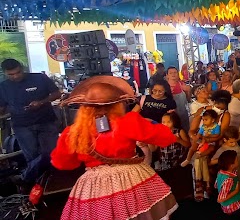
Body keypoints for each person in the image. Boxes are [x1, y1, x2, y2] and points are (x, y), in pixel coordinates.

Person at [50, 76, 178, 220]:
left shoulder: (72, 132)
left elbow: (62, 163)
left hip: (94, 186)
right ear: (117, 104)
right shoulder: (129, 122)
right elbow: (167, 138)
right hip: (132, 179)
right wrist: (151, 124)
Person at [0, 59, 61, 189]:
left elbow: (56, 93)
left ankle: (27, 178)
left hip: (46, 122)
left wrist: (42, 102)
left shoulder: (39, 78)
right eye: (11, 74)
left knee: (51, 153)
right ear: (5, 73)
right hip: (22, 126)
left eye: (18, 72)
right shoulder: (3, 87)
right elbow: (2, 108)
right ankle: (38, 186)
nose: (16, 76)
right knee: (32, 156)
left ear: (22, 68)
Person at [216, 150, 240, 215]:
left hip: (229, 203)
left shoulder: (220, 172)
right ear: (231, 165)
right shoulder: (229, 180)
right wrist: (236, 191)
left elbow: (216, 185)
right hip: (231, 206)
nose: (238, 160)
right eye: (237, 160)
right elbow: (220, 199)